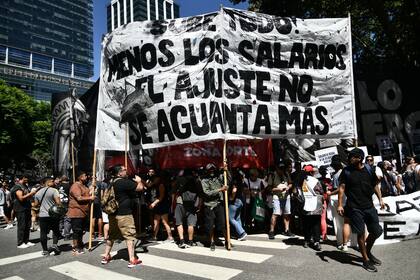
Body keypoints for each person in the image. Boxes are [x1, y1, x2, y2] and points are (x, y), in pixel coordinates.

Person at [337, 148, 385, 272]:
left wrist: (380, 199)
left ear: (359, 158)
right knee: (361, 234)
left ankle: (367, 251)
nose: (349, 159)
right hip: (354, 208)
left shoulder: (369, 170)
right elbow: (342, 188)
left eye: (352, 157)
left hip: (369, 206)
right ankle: (365, 260)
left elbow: (375, 185)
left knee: (376, 231)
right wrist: (340, 204)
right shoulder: (346, 171)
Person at [101, 165, 144, 268]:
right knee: (129, 236)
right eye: (124, 170)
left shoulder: (111, 182)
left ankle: (106, 256)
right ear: (119, 173)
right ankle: (132, 259)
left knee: (111, 236)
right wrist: (139, 180)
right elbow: (140, 188)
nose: (126, 171)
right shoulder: (123, 182)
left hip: (113, 214)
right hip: (124, 214)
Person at [200, 163, 228, 251]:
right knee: (211, 225)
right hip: (209, 205)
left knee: (223, 224)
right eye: (210, 170)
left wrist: (226, 170)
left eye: (213, 169)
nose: (211, 171)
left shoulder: (218, 178)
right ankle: (212, 241)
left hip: (219, 204)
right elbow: (207, 192)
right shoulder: (204, 180)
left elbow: (227, 181)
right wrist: (220, 189)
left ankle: (227, 240)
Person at [67, 171, 94, 255]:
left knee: (81, 230)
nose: (87, 177)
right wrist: (90, 198)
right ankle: (76, 246)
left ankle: (80, 243)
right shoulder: (75, 186)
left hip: (83, 212)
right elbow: (79, 198)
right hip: (76, 211)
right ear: (80, 177)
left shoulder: (84, 186)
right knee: (77, 230)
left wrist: (92, 187)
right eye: (85, 175)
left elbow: (87, 193)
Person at [34, 179, 62, 256]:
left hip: (43, 215)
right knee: (55, 230)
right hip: (53, 215)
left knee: (43, 233)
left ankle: (45, 250)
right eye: (52, 181)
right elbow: (58, 203)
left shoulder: (38, 193)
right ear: (48, 182)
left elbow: (36, 205)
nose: (53, 182)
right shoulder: (54, 190)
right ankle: (54, 245)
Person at [299, 165, 324, 251]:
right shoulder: (315, 180)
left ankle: (306, 240)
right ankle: (316, 241)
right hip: (315, 204)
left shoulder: (300, 180)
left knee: (306, 223)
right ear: (311, 172)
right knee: (316, 223)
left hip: (305, 204)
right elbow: (320, 191)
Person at [175, 169, 200, 248]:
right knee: (191, 224)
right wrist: (198, 205)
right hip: (192, 204)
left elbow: (173, 191)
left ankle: (182, 241)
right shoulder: (196, 181)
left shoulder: (179, 180)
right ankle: (190, 241)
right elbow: (200, 193)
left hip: (180, 203)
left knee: (179, 222)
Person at [267, 162, 293, 239]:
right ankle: (271, 231)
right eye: (280, 168)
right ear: (277, 168)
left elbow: (290, 183)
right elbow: (269, 188)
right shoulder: (273, 175)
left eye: (283, 168)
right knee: (275, 214)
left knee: (287, 213)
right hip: (276, 196)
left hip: (286, 196)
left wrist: (288, 187)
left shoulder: (286, 174)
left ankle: (287, 230)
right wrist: (278, 189)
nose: (281, 170)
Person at [146, 170, 174, 242]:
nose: (154, 180)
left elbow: (161, 197)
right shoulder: (155, 185)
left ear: (159, 178)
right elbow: (147, 185)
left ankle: (170, 237)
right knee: (156, 221)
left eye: (155, 178)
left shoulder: (161, 185)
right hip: (159, 206)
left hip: (162, 205)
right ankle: (154, 236)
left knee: (164, 222)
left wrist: (153, 203)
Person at [12, 174, 37, 248]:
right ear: (23, 178)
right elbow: (21, 198)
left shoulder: (24, 186)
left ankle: (26, 241)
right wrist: (31, 193)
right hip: (20, 208)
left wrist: (32, 195)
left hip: (26, 208)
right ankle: (20, 243)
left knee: (27, 225)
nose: (27, 179)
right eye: (26, 178)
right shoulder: (17, 187)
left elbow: (27, 196)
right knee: (22, 226)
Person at [228, 169, 247, 241]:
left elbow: (234, 191)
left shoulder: (235, 181)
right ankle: (239, 234)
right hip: (240, 201)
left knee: (231, 218)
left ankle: (242, 233)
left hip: (235, 201)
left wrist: (231, 198)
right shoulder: (241, 182)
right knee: (237, 218)